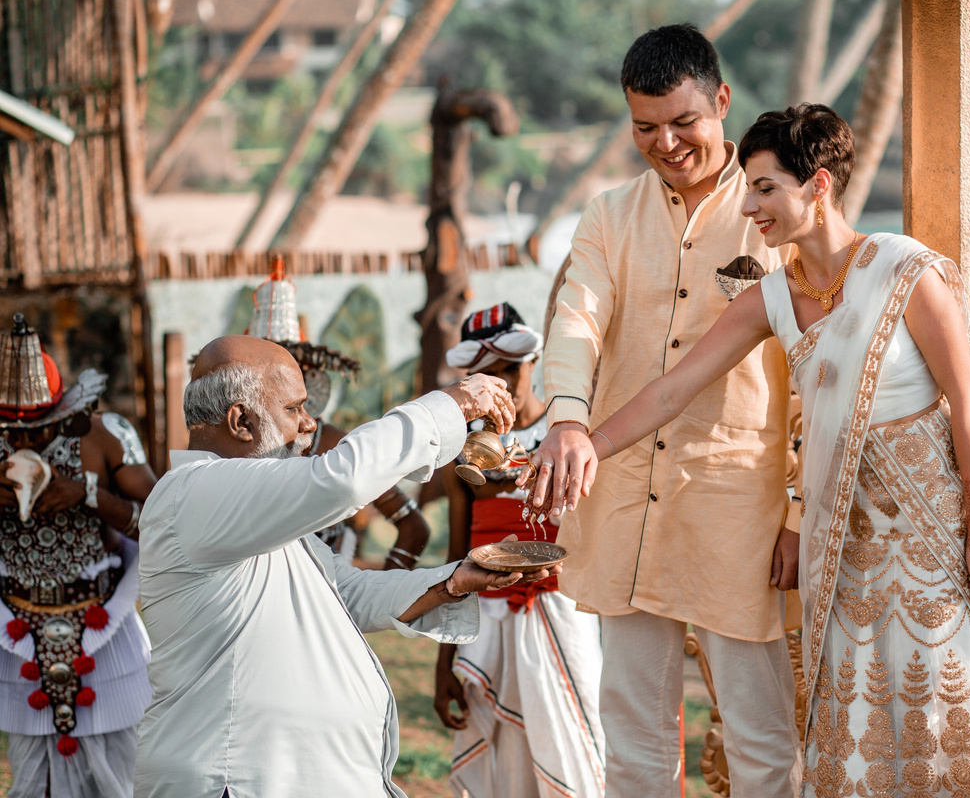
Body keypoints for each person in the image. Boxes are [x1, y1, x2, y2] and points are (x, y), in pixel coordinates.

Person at [571, 104, 970, 796]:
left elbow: (967, 403)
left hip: (927, 540)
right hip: (841, 548)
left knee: (934, 718)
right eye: (748, 189)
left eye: (765, 188)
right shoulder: (771, 298)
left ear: (819, 186)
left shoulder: (904, 270)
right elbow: (672, 391)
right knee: (855, 728)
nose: (748, 206)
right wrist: (585, 445)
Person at [531, 23, 801, 796]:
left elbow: (813, 380)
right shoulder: (609, 215)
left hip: (738, 508)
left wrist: (799, 510)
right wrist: (567, 419)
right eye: (646, 127)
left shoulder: (774, 216)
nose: (667, 144)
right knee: (634, 739)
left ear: (722, 101)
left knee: (761, 739)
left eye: (684, 122)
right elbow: (576, 321)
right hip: (622, 500)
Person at [133, 335, 558, 798]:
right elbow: (343, 478)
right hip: (235, 782)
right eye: (294, 408)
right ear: (241, 421)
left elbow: (345, 594)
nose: (309, 423)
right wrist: (452, 404)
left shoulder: (243, 511)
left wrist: (454, 582)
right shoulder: (194, 493)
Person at [434, 303, 604, 798]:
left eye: (510, 369)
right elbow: (456, 555)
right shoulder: (461, 451)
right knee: (503, 758)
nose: (501, 384)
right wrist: (444, 664)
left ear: (534, 363)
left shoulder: (570, 434)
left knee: (576, 745)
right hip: (485, 619)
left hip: (561, 608)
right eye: (486, 375)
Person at [0, 313, 158, 798]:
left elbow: (161, 521)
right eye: (10, 431)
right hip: (17, 628)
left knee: (125, 772)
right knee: (32, 775)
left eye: (39, 430)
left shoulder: (105, 435)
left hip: (103, 624)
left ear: (64, 413)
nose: (24, 442)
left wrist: (86, 493)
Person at [242, 260, 431, 569]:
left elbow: (414, 528)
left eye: (279, 375)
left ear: (306, 377)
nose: (264, 387)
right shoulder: (230, 446)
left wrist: (380, 591)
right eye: (252, 377)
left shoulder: (332, 444)